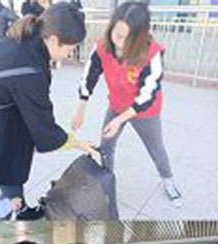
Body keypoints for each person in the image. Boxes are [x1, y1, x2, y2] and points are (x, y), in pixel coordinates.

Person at [0, 3, 99, 221]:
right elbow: (44, 127)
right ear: (53, 39)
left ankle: (19, 208)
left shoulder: (28, 37)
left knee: (10, 163)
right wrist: (78, 144)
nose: (69, 54)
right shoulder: (30, 70)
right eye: (70, 49)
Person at [72, 2, 183, 208]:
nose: (119, 41)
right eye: (117, 34)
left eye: (126, 38)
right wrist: (81, 106)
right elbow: (90, 75)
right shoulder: (103, 46)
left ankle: (168, 181)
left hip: (145, 111)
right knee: (106, 147)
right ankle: (107, 183)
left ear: (139, 37)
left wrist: (120, 120)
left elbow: (147, 95)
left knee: (156, 149)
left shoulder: (152, 54)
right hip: (116, 104)